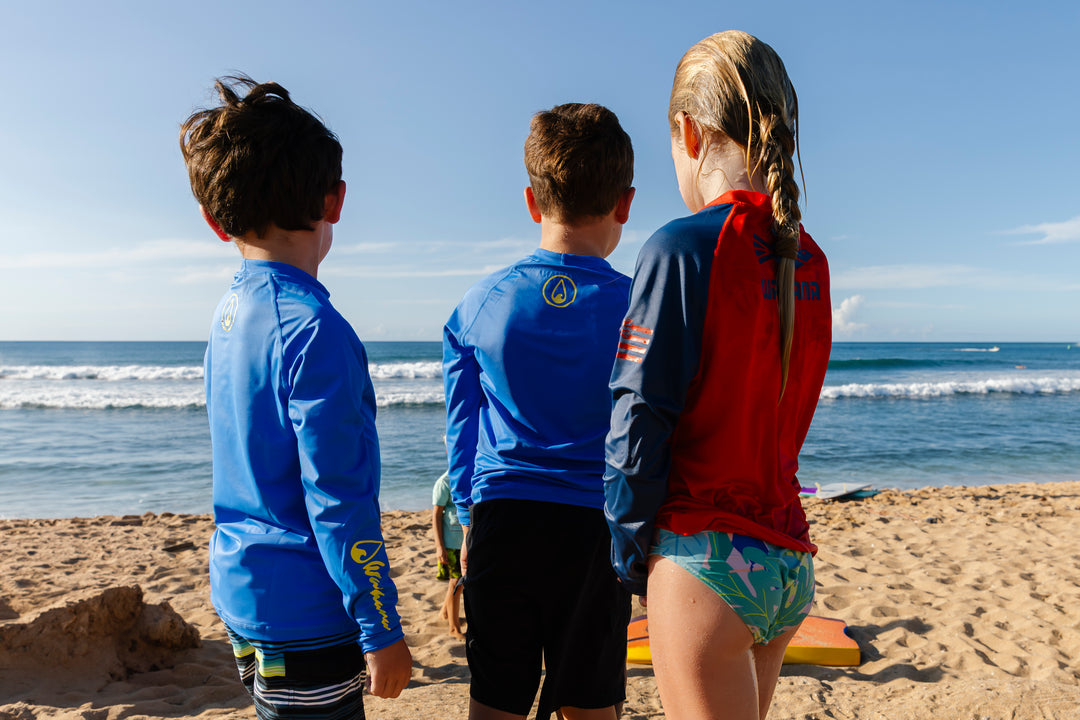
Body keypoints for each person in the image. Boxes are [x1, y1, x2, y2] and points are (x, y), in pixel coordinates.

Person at [604, 31, 832, 720]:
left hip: (705, 559)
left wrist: (623, 552)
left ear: (689, 131)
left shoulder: (682, 247)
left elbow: (638, 413)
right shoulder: (809, 259)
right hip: (785, 561)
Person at [180, 76, 412, 720]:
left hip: (242, 596)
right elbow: (338, 497)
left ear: (213, 218)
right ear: (335, 200)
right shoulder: (314, 330)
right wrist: (381, 627)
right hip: (307, 614)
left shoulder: (229, 313)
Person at [443, 103, 635, 720]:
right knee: (590, 703)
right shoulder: (639, 308)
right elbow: (652, 424)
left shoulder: (479, 304)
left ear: (532, 200)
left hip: (504, 520)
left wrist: (466, 526)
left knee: (494, 701)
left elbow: (461, 434)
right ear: (624, 204)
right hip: (595, 528)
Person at [431, 469, 465, 640]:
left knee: (457, 582)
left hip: (466, 540)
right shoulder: (444, 481)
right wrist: (439, 547)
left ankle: (445, 612)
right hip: (451, 543)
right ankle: (454, 627)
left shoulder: (467, 473)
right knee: (456, 582)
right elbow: (436, 515)